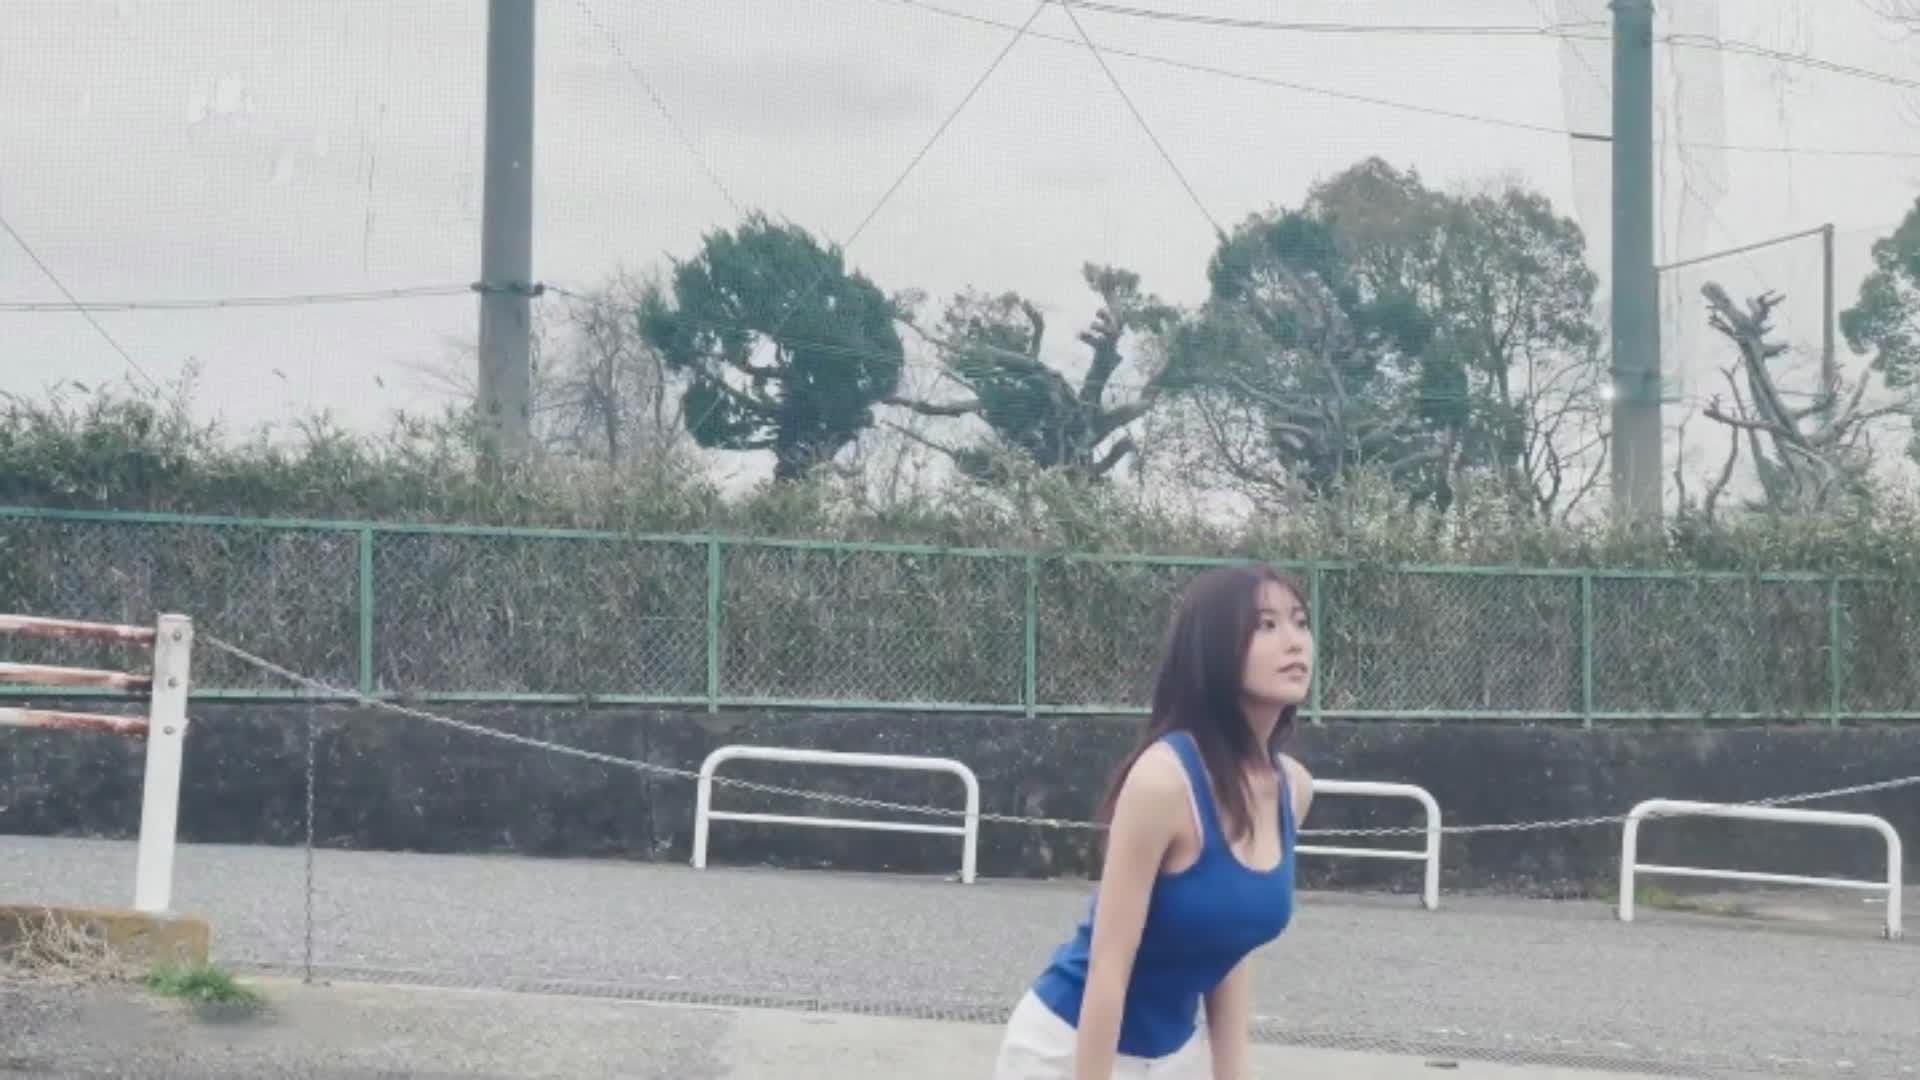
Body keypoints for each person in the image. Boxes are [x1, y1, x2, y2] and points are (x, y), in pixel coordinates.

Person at [994, 563, 1315, 1080]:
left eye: (1300, 621)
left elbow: (1229, 944)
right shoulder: (1165, 780)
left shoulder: (1292, 789)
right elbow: (1108, 967)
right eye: (1266, 625)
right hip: (1067, 1049)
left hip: (1170, 1057)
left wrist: (1232, 1072)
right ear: (1213, 648)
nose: (1294, 642)